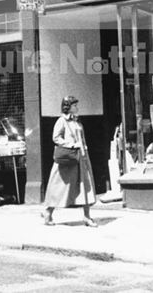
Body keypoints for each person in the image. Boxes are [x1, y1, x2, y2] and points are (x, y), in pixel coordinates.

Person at [42, 96, 97, 227]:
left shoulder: (77, 121)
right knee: (60, 186)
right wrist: (71, 145)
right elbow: (56, 138)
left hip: (81, 158)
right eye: (75, 106)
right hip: (68, 159)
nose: (77, 108)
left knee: (86, 185)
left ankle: (87, 216)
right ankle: (48, 212)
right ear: (68, 107)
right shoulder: (62, 121)